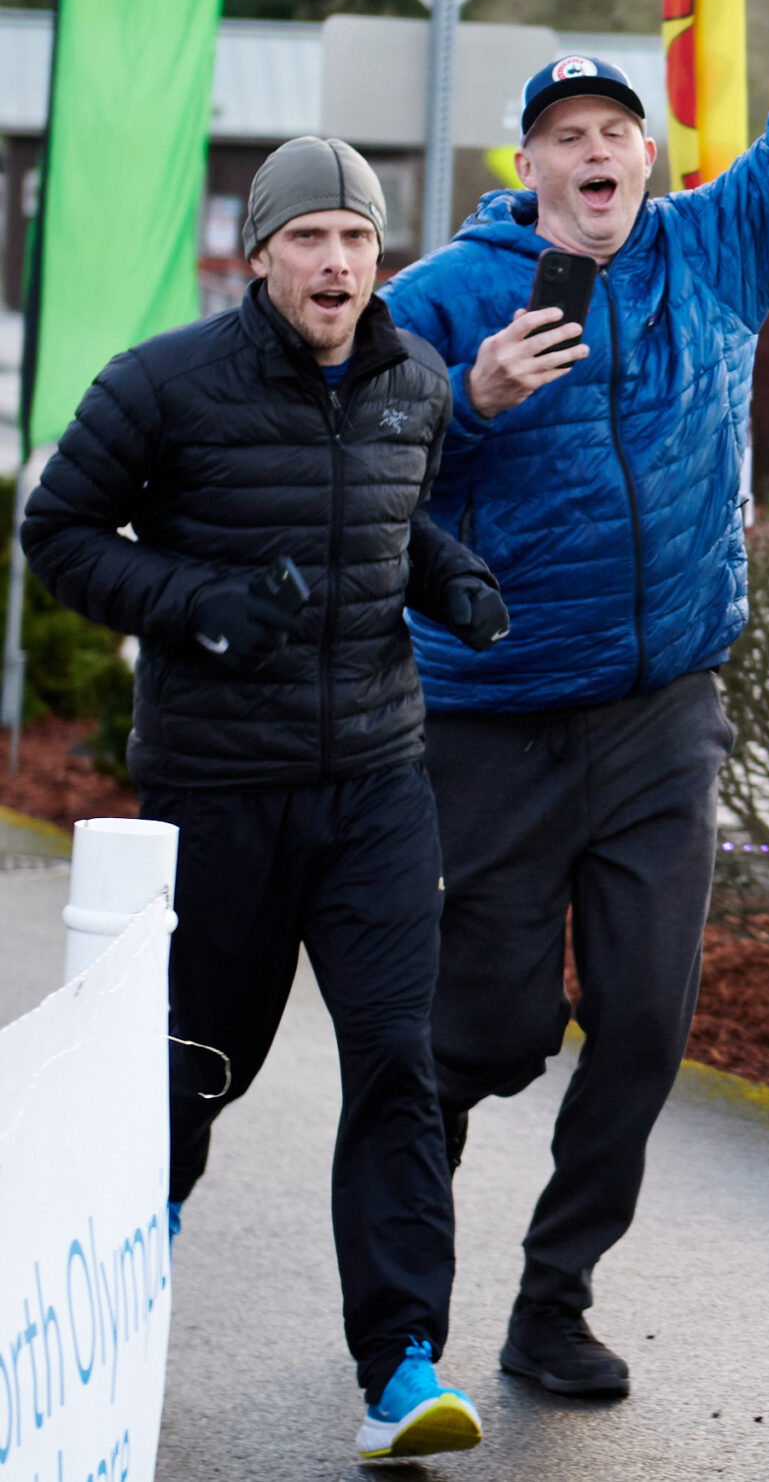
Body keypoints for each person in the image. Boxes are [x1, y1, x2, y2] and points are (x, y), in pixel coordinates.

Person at [378, 0, 769, 1400]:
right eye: (566, 137)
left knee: (645, 1017)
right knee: (476, 1036)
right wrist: (463, 404)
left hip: (662, 713)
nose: (596, 153)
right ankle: (402, 1288)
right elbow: (356, 470)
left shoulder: (718, 250)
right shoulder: (445, 295)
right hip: (486, 721)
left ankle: (554, 1299)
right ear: (527, 166)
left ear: (648, 155)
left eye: (617, 133)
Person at [22, 138, 510, 1460]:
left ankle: (402, 1364)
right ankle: (115, 1272)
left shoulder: (413, 380)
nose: (338, 263)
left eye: (359, 239)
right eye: (312, 239)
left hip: (377, 786)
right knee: (189, 1074)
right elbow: (56, 533)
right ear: (261, 251)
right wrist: (197, 606)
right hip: (220, 790)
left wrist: (444, 573)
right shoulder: (163, 386)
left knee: (397, 1061)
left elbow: (385, 520)